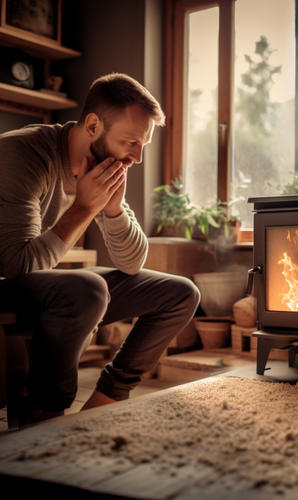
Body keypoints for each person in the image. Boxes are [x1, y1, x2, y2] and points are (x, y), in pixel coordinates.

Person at [0, 73, 200, 425]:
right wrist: (84, 208)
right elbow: (18, 267)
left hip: (42, 281)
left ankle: (103, 402)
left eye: (143, 146)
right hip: (6, 281)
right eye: (131, 142)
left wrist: (112, 209)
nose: (137, 157)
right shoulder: (22, 155)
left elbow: (132, 262)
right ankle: (48, 413)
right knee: (87, 288)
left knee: (181, 293)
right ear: (93, 125)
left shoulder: (103, 165)